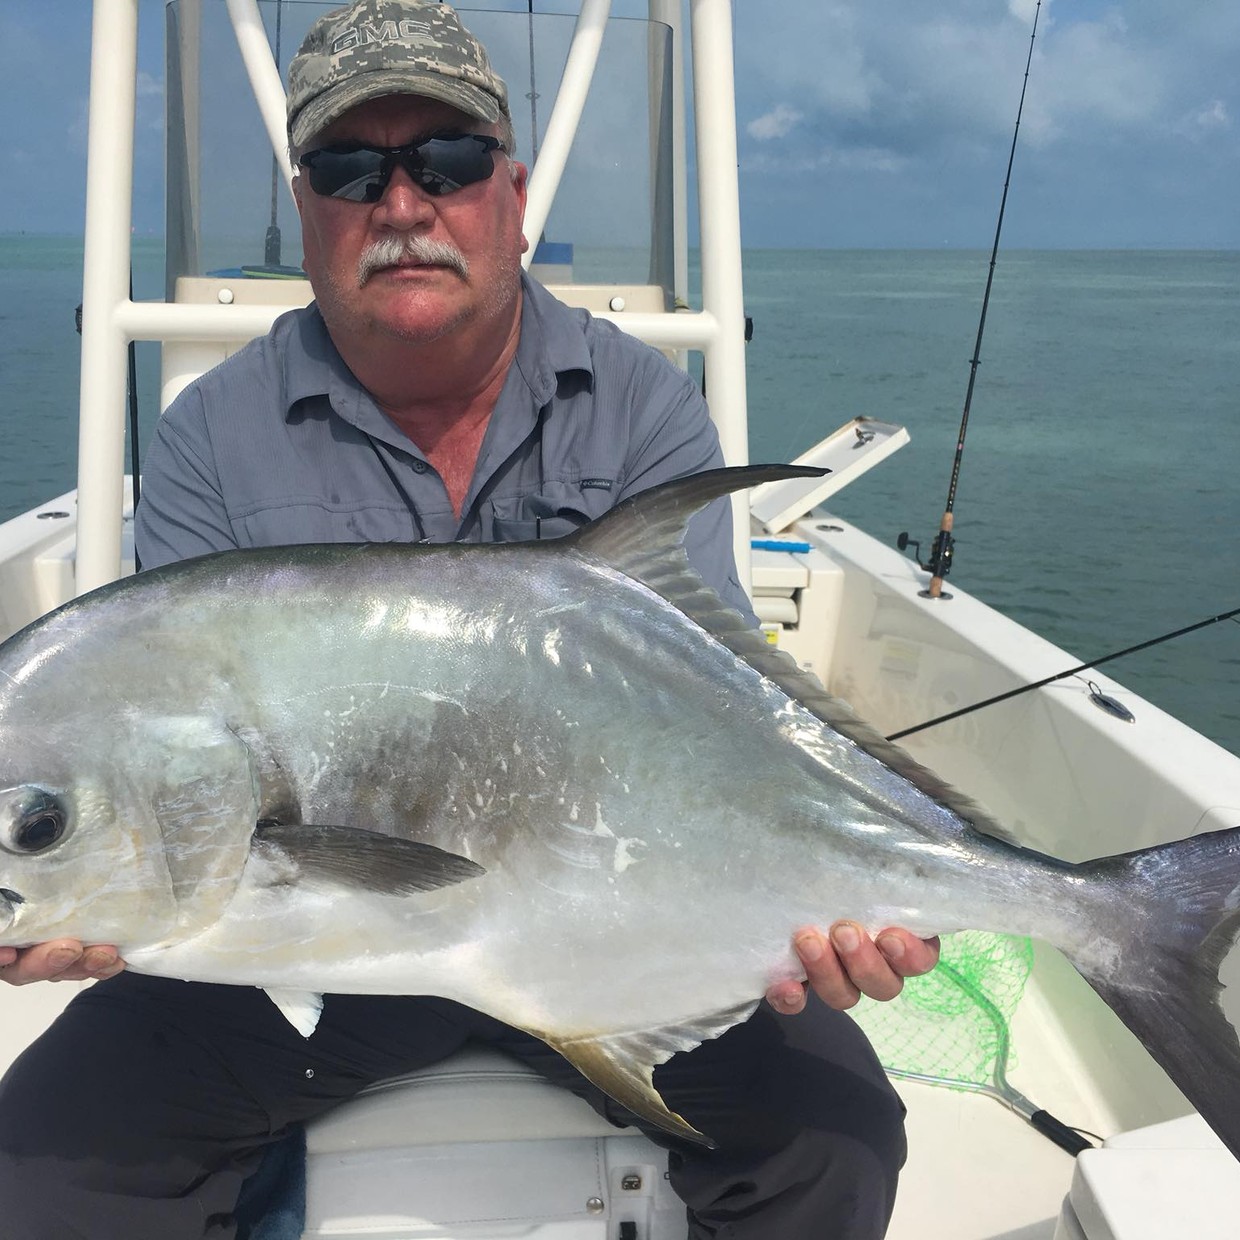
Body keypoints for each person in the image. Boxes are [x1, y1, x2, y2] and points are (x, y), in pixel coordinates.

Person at [0, 3, 939, 1236]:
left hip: (611, 922)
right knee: (38, 1171)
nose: (402, 205)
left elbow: (725, 713)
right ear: (306, 206)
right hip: (301, 957)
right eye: (351, 169)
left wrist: (827, 898)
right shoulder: (211, 438)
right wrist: (68, 900)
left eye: (444, 161)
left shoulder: (643, 408)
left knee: (837, 1140)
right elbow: (152, 743)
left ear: (511, 187)